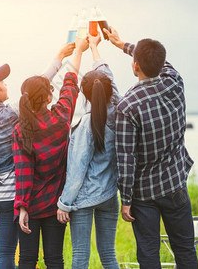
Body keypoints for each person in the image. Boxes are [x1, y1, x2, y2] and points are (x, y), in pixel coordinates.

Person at [0, 43, 75, 269]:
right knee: (5, 253)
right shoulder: (11, 114)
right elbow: (37, 88)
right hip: (5, 194)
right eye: (2, 83)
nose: (6, 84)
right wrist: (59, 57)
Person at [102, 26, 198, 269]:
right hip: (175, 183)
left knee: (148, 255)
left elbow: (126, 158)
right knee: (185, 249)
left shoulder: (128, 106)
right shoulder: (174, 82)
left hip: (144, 195)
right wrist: (123, 44)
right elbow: (160, 61)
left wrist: (125, 199)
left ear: (135, 66)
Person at [13, 37, 89, 269]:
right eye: (50, 90)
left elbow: (23, 172)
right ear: (47, 97)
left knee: (27, 259)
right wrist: (79, 52)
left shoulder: (21, 129)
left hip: (32, 203)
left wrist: (22, 206)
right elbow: (70, 83)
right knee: (55, 259)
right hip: (57, 204)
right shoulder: (61, 117)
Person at [57, 34, 120, 269]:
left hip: (83, 199)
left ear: (84, 94)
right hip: (109, 196)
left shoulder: (86, 124)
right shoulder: (117, 111)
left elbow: (77, 168)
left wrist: (64, 203)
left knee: (80, 258)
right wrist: (94, 48)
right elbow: (108, 78)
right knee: (109, 256)